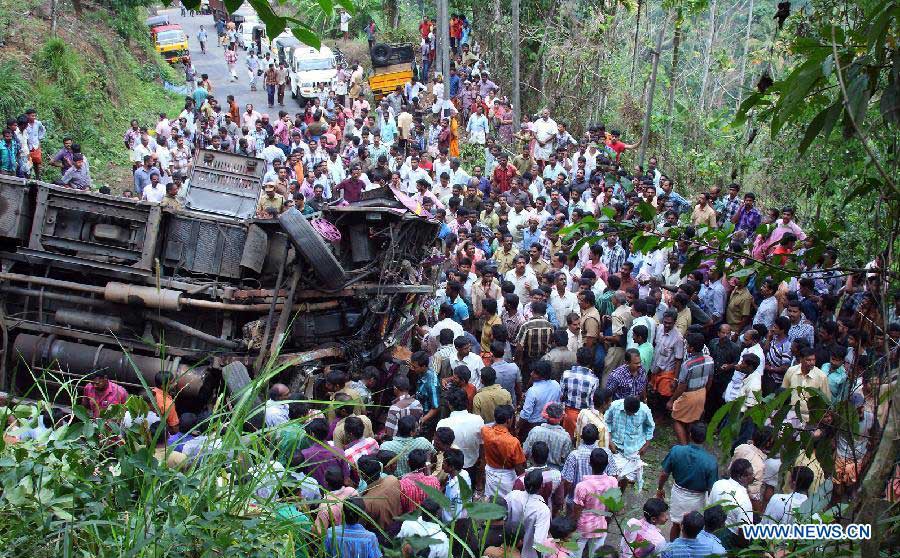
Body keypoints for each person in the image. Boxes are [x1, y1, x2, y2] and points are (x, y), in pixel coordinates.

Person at [657, 422, 718, 540]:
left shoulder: (676, 450)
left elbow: (664, 474)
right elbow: (711, 489)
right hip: (698, 498)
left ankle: (673, 549)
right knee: (696, 528)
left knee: (676, 524)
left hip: (678, 494)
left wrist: (660, 488)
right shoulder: (711, 462)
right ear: (705, 438)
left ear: (690, 434)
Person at [572, 448, 619, 555]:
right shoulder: (612, 482)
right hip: (601, 525)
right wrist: (607, 519)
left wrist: (574, 525)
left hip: (583, 527)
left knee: (575, 554)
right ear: (607, 464)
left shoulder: (582, 486)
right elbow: (613, 506)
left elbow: (577, 510)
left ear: (589, 463)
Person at [606, 396, 655, 491]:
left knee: (626, 476)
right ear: (624, 406)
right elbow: (606, 421)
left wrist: (646, 445)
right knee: (612, 476)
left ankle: (620, 493)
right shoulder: (614, 406)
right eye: (628, 412)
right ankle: (611, 497)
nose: (630, 415)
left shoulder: (645, 410)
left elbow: (651, 426)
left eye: (633, 413)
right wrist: (610, 441)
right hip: (615, 447)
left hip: (634, 449)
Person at [481, 404, 526, 498]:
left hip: (491, 474)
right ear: (509, 420)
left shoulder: (485, 432)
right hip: (507, 478)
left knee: (492, 501)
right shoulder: (513, 442)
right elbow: (519, 468)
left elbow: (491, 427)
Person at [708, 458, 755, 547]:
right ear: (741, 477)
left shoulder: (718, 484)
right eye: (750, 474)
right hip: (728, 540)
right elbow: (744, 534)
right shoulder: (744, 501)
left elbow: (709, 508)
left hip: (712, 531)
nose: (753, 477)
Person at [505, 470, 551, 558]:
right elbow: (539, 542)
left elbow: (502, 516)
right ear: (541, 486)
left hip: (508, 546)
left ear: (524, 483)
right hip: (528, 553)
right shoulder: (542, 509)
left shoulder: (513, 495)